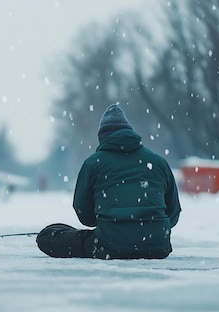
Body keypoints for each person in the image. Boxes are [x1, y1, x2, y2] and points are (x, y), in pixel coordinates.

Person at [36, 104, 181, 259]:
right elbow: (173, 213)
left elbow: (85, 216)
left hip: (110, 246)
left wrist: (112, 222)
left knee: (47, 236)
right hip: (158, 247)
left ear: (102, 137)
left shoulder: (93, 163)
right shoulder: (158, 162)